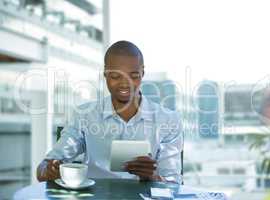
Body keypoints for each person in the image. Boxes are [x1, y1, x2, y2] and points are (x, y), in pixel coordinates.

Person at [36, 40, 183, 183]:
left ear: (142, 73)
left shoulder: (169, 120)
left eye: (133, 75)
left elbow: (173, 184)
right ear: (105, 74)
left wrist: (153, 177)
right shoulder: (84, 115)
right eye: (115, 76)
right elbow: (43, 169)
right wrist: (48, 170)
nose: (125, 83)